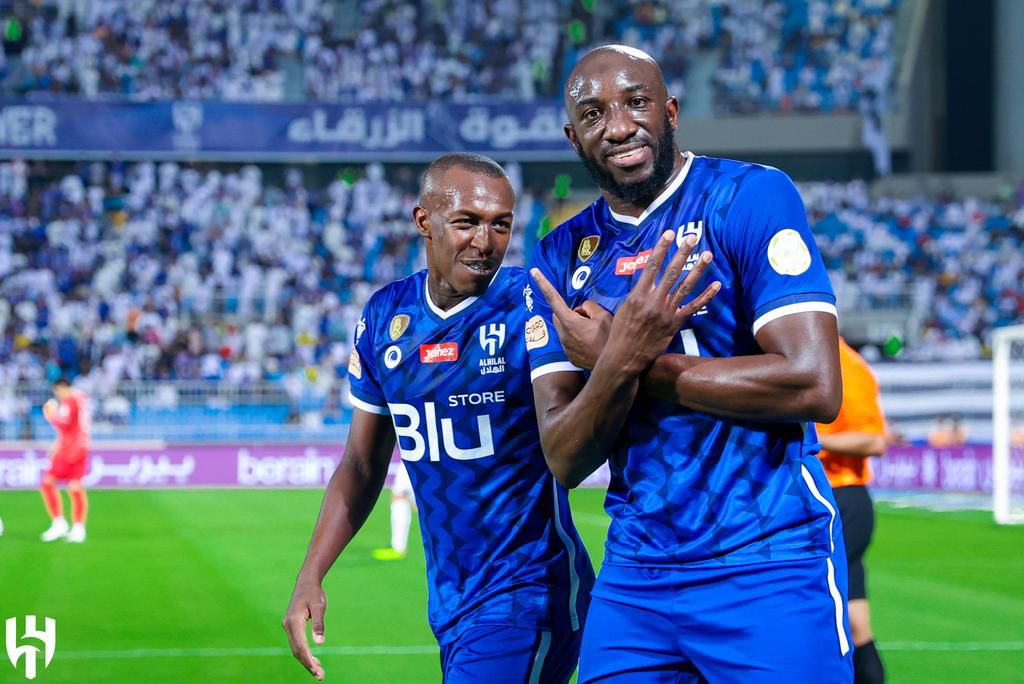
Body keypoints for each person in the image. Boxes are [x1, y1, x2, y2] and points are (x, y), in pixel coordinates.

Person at [527, 45, 852, 682]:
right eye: (593, 115)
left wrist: (627, 362)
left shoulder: (750, 197)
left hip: (767, 556)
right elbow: (565, 458)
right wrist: (621, 359)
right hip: (636, 577)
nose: (618, 126)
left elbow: (816, 384)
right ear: (573, 137)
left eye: (636, 103)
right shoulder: (558, 255)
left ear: (670, 110)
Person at [283, 153, 594, 683]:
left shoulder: (531, 303)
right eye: (467, 222)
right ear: (424, 221)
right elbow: (361, 463)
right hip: (453, 600)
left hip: (528, 593)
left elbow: (570, 435)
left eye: (500, 224)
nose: (485, 241)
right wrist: (310, 575)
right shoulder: (385, 316)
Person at [817, 338, 890, 684]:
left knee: (817, 610)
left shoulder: (846, 365)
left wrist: (813, 440)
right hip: (830, 495)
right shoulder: (822, 356)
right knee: (857, 621)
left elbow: (874, 439)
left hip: (842, 497)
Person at [39, 378, 91, 543]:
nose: (58, 395)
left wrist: (50, 416)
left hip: (70, 450)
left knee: (47, 483)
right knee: (75, 487)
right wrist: (57, 444)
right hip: (82, 447)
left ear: (62, 387)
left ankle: (59, 523)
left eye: (57, 391)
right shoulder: (82, 398)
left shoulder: (70, 401)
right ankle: (78, 528)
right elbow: (75, 427)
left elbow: (65, 425)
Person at [371, 461, 415, 561]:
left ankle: (398, 547)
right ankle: (398, 546)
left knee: (400, 496)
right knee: (403, 497)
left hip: (417, 454)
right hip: (421, 455)